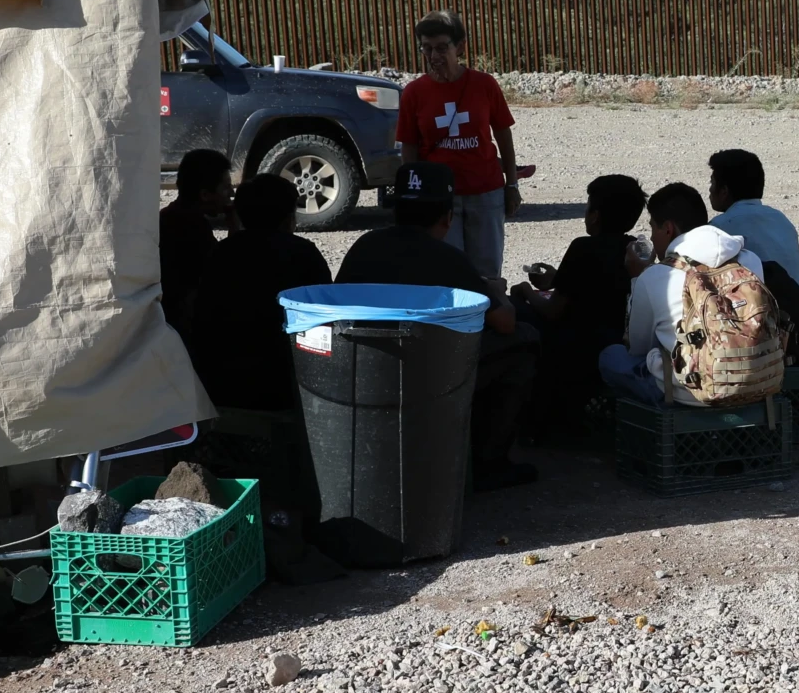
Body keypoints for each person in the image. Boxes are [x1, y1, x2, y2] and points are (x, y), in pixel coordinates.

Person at [336, 163, 538, 491]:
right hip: (430, 381)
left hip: (366, 373)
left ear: (394, 208)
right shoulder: (449, 260)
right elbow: (504, 322)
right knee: (524, 339)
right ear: (447, 217)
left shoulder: (364, 247)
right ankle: (489, 462)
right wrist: (498, 292)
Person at [600, 183, 774, 407]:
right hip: (755, 383)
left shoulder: (655, 276)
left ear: (668, 229)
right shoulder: (750, 260)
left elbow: (638, 347)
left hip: (689, 394)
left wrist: (637, 278)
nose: (652, 238)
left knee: (610, 356)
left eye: (653, 228)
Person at [182, 173, 331, 412]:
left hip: (222, 383)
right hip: (287, 385)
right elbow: (325, 321)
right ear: (289, 218)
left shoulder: (220, 254)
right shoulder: (304, 255)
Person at [514, 173, 648, 429]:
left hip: (577, 345)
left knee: (517, 311)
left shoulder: (583, 247)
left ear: (595, 215)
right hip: (617, 340)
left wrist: (526, 292)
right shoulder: (634, 249)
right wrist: (557, 279)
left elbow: (554, 311)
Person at [396, 9, 519, 287]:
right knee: (445, 274)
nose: (433, 55)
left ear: (460, 46)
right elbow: (409, 150)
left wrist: (511, 186)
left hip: (485, 192)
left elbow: (504, 137)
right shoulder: (415, 92)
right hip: (438, 199)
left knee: (486, 274)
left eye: (441, 47)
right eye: (426, 48)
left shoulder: (484, 85)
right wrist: (411, 199)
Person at [707, 148, 799, 293]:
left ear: (724, 191)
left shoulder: (719, 229)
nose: (710, 190)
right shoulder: (781, 219)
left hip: (760, 311)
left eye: (712, 183)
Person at [157, 148, 236, 327]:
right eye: (225, 187)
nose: (231, 193)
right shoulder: (191, 227)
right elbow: (224, 271)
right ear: (205, 195)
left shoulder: (170, 216)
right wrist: (234, 228)